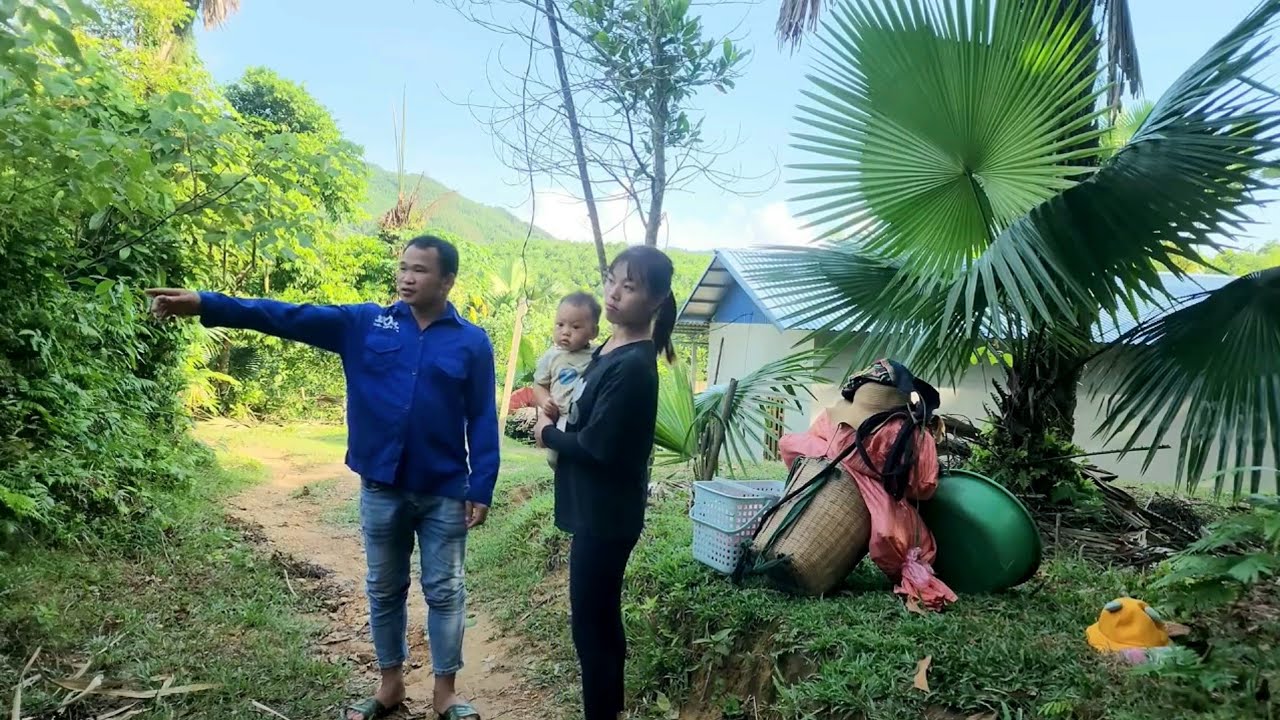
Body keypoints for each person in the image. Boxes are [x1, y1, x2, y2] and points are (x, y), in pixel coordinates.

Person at [147, 235, 497, 720]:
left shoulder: (472, 342)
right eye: (403, 267)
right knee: (384, 587)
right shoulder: (362, 323)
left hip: (443, 489)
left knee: (445, 590)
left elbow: (481, 416)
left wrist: (482, 484)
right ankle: (390, 685)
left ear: (447, 280)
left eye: (419, 270)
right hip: (381, 485)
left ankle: (445, 693)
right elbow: (283, 315)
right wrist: (208, 303)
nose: (407, 277)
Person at [533, 245, 676, 720]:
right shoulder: (608, 348)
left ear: (655, 300)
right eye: (612, 279)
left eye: (629, 286)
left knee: (592, 629)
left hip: (607, 516)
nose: (614, 292)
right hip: (596, 508)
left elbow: (597, 446)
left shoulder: (635, 365)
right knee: (597, 622)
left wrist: (547, 432)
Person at [531, 292, 601, 469]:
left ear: (593, 332)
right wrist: (545, 401)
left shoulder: (598, 355)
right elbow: (539, 384)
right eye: (560, 325)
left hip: (587, 419)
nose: (565, 332)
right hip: (562, 416)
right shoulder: (551, 356)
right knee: (556, 458)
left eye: (575, 327)